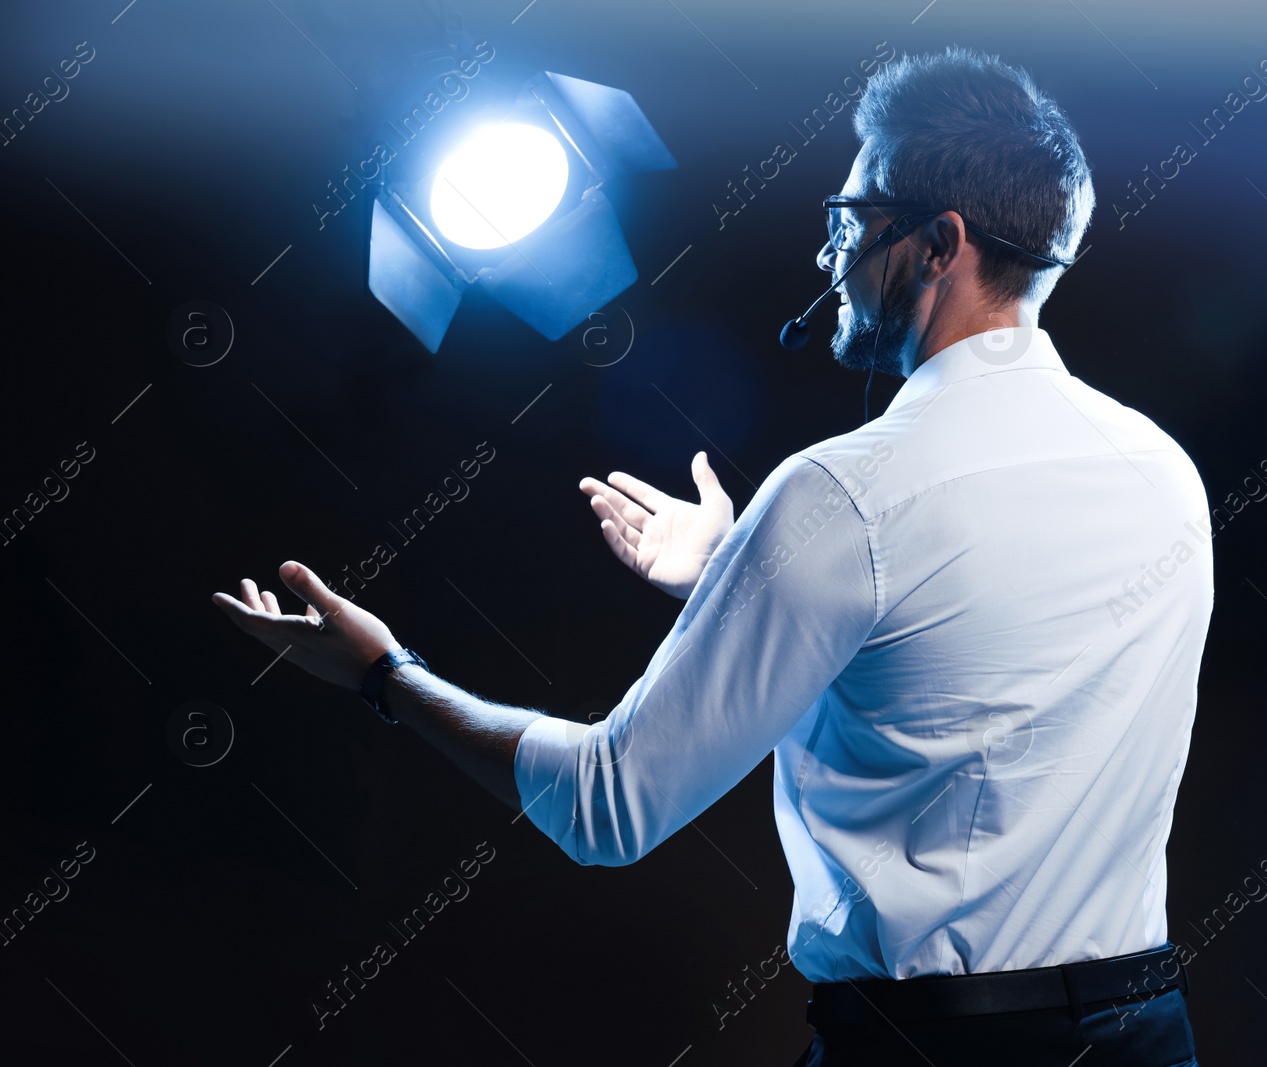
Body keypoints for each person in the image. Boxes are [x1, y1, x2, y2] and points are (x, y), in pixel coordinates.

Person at [213, 45, 1211, 1067]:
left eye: (850, 217)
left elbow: (610, 804)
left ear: (935, 243)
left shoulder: (843, 495)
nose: (828, 255)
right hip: (1145, 1034)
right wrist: (742, 574)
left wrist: (383, 672)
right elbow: (963, 685)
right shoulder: (1166, 475)